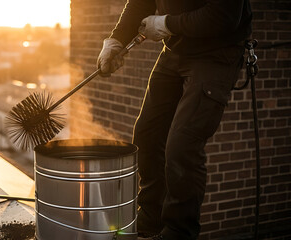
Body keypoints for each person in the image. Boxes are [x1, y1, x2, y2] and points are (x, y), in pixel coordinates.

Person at [97, 1, 252, 239]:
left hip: (216, 53)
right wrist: (115, 40)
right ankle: (151, 219)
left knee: (182, 146)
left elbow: (224, 14)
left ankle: (179, 231)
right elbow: (141, 2)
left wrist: (166, 23)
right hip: (174, 51)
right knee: (147, 136)